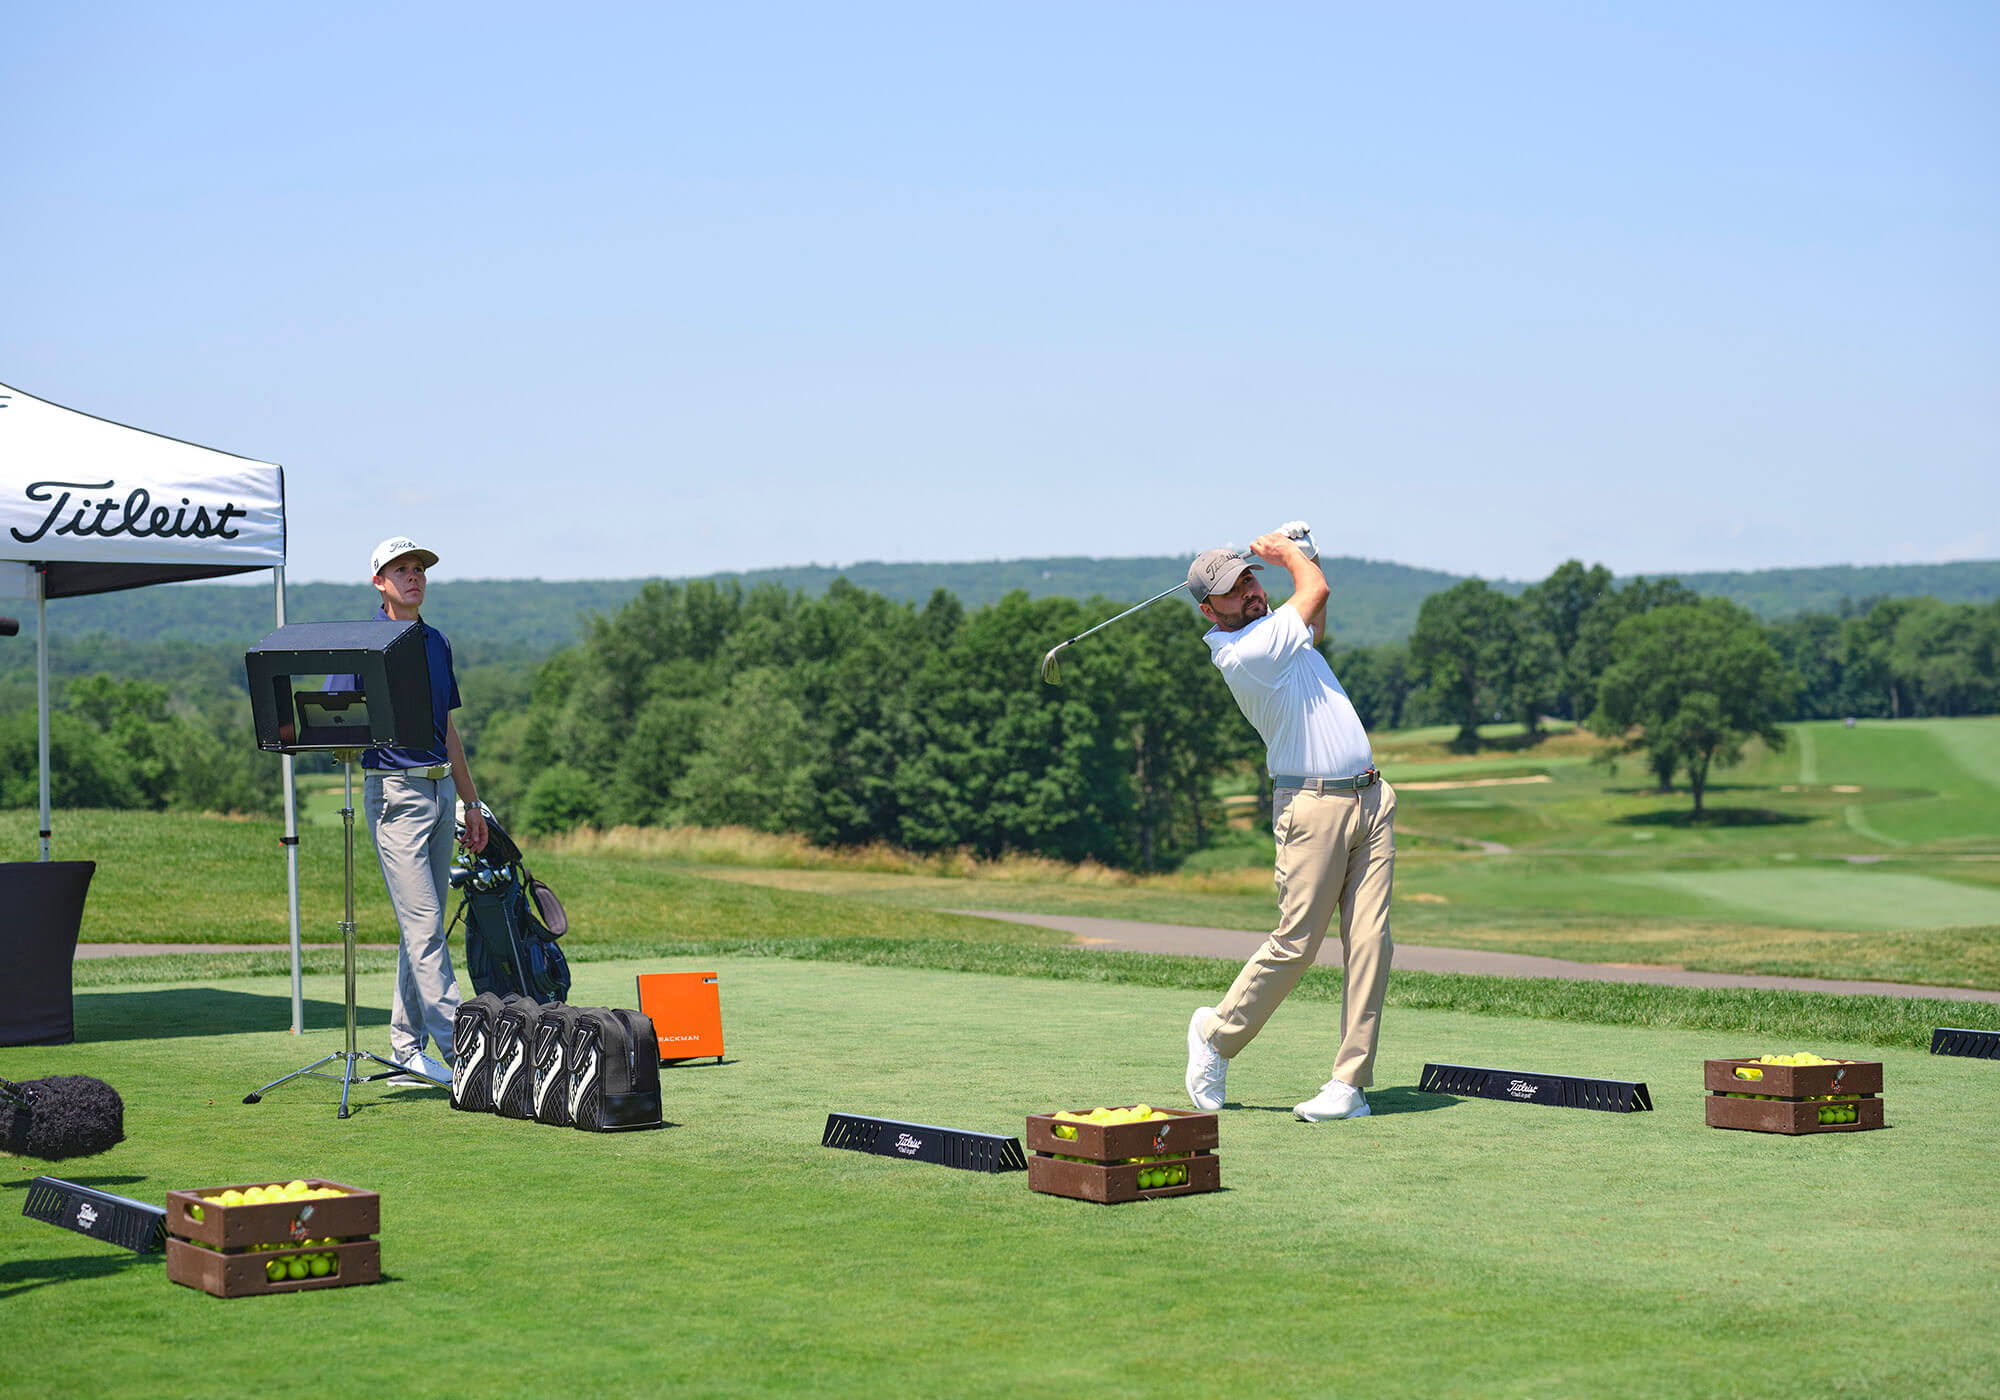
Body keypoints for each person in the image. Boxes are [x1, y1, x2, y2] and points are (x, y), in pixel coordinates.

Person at [1182, 529, 1395, 1122]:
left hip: (1371, 798)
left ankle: (1348, 1085)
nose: (1250, 591)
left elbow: (1314, 617)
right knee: (1297, 943)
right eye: (1233, 589)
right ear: (1209, 609)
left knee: (1371, 942)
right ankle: (1216, 1035)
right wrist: (1292, 553)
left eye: (1251, 577)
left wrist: (1307, 554)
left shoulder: (1278, 633)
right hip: (1312, 809)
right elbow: (1316, 587)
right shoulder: (1247, 652)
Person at [328, 536, 488, 1086]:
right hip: (395, 794)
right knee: (424, 927)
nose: (414, 576)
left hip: (442, 792)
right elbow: (332, 722)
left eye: (419, 568)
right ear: (379, 581)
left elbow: (448, 730)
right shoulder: (361, 642)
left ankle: (405, 1049)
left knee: (419, 928)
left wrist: (472, 804)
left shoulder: (437, 642)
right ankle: (466, 1058)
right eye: (401, 569)